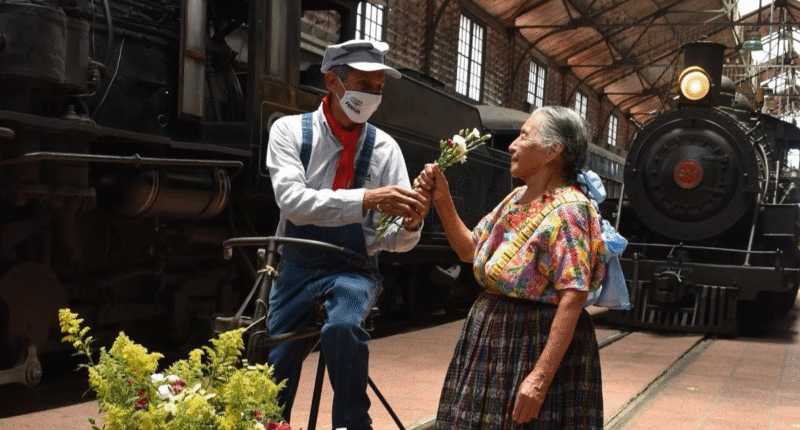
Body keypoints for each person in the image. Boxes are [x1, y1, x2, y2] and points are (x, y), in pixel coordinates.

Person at [265, 39, 431, 430]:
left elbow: (391, 241)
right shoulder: (289, 131)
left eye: (378, 88)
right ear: (332, 81)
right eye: (363, 84)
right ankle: (268, 422)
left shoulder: (386, 149)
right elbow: (293, 202)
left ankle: (353, 425)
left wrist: (410, 224)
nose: (371, 96)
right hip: (296, 262)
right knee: (277, 359)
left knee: (343, 328)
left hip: (354, 268)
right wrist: (368, 198)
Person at [415, 106, 606, 429]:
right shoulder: (515, 198)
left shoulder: (571, 210)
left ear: (553, 150)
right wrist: (442, 198)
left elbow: (574, 295)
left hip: (532, 340)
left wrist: (539, 379)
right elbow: (469, 251)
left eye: (524, 136)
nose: (512, 145)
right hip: (491, 336)